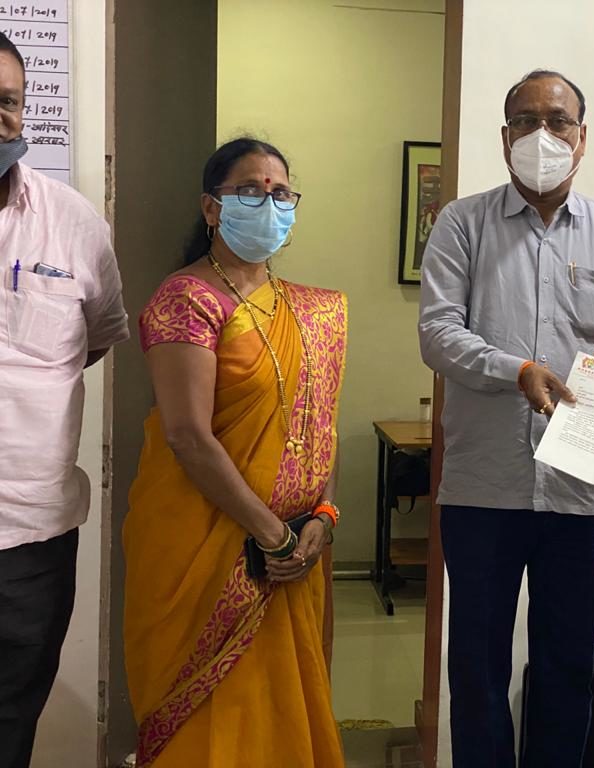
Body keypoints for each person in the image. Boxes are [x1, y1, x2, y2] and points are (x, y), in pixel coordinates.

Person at [419, 70, 594, 767]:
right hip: (482, 490)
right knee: (477, 672)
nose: (542, 135)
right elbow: (437, 334)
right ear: (505, 138)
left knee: (567, 668)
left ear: (581, 138)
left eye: (558, 121)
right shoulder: (462, 224)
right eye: (526, 121)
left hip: (580, 487)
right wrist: (517, 370)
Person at [122, 138, 347, 767]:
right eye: (249, 190)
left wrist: (323, 516)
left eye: (281, 193)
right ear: (212, 208)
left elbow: (320, 424)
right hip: (206, 546)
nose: (268, 203)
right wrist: (272, 536)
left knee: (281, 713)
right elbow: (187, 436)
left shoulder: (312, 311)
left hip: (297, 548)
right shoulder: (187, 299)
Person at [0, 32, 130, 768]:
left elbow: (97, 337)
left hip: (31, 536)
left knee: (10, 724)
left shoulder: (75, 222)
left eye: (7, 101)